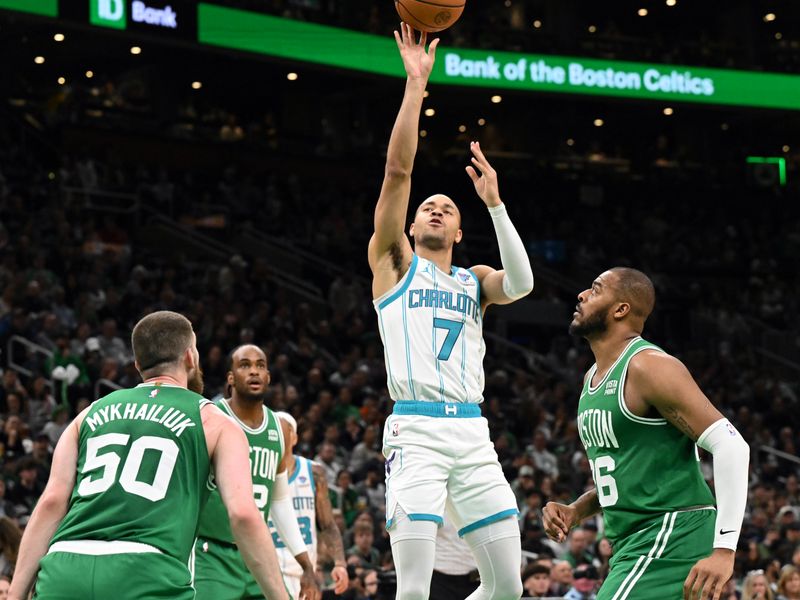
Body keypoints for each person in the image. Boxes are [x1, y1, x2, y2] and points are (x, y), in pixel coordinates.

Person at [368, 22, 534, 600]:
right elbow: (398, 174)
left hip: (472, 431)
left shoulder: (474, 281)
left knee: (507, 586)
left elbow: (523, 282)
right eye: (428, 208)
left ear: (460, 231)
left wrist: (495, 205)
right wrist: (416, 87)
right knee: (412, 589)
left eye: (447, 208)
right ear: (411, 226)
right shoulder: (394, 263)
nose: (435, 209)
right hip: (415, 428)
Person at [8, 311, 290, 600]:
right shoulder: (214, 421)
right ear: (191, 357)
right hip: (145, 570)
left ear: (138, 364)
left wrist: (15, 594)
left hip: (64, 567)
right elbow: (243, 514)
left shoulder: (88, 414)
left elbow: (52, 503)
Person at [543, 268, 750, 600]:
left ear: (621, 309)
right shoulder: (591, 378)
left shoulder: (649, 366)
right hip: (631, 543)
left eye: (595, 290)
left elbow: (732, 446)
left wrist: (725, 549)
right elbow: (630, 474)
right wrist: (577, 510)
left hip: (670, 533)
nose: (581, 294)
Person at [193, 345, 320, 600]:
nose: (254, 371)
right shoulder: (211, 417)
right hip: (211, 553)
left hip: (258, 556)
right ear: (231, 378)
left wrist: (305, 563)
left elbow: (279, 501)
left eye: (260, 365)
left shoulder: (279, 428)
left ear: (269, 377)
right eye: (245, 365)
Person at [272, 411, 349, 598]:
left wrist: (340, 563)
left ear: (295, 437)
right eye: (276, 429)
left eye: (285, 429)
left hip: (305, 573)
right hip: (269, 570)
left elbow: (327, 524)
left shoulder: (314, 472)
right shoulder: (259, 470)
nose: (280, 434)